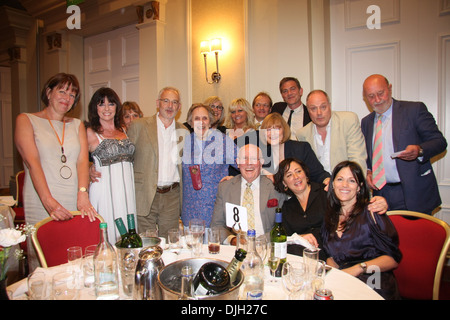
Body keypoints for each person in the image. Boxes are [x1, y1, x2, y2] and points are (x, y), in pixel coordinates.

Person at [14, 73, 96, 271]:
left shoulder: (77, 125)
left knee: (75, 256)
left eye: (72, 95)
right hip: (42, 198)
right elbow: (32, 162)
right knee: (45, 260)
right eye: (62, 91)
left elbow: (82, 161)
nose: (67, 98)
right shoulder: (26, 120)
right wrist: (48, 201)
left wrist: (83, 193)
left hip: (74, 199)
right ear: (49, 92)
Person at [361, 74, 447, 214]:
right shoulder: (366, 122)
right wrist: (369, 171)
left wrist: (420, 150)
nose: (377, 100)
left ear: (389, 88)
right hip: (381, 192)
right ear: (365, 98)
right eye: (371, 96)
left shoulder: (414, 110)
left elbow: (439, 142)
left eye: (380, 93)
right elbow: (370, 155)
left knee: (416, 235)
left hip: (413, 191)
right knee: (385, 235)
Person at [273, 158, 388, 260]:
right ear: (284, 183)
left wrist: (379, 202)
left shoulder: (327, 193)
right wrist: (298, 237)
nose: (296, 177)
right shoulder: (287, 207)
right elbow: (282, 238)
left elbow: (354, 204)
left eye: (298, 171)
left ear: (306, 175)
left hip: (333, 255)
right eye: (289, 175)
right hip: (300, 258)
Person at [322, 161, 402, 300]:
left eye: (351, 180)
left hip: (374, 284)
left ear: (359, 187)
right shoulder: (330, 217)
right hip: (345, 283)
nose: (344, 185)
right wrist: (333, 274)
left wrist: (359, 268)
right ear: (333, 184)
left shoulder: (372, 212)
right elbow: (332, 256)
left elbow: (393, 259)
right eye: (340, 179)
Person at [127, 87, 187, 239]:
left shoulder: (184, 131)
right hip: (145, 193)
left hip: (172, 196)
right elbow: (125, 160)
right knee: (145, 242)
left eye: (174, 102)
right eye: (166, 101)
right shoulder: (139, 126)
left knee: (170, 242)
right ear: (157, 103)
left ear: (179, 107)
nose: (170, 106)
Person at [86, 87, 136, 244]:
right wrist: (88, 168)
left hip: (128, 193)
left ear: (117, 107)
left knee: (130, 237)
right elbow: (75, 159)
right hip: (104, 193)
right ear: (95, 108)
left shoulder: (125, 130)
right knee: (107, 239)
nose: (107, 108)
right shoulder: (89, 132)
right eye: (101, 104)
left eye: (111, 104)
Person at [211, 144, 285, 244]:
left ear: (261, 162)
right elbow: (217, 225)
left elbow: (285, 225)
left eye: (254, 159)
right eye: (244, 159)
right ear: (237, 163)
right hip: (235, 249)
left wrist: (262, 241)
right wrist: (233, 240)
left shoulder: (275, 187)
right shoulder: (225, 188)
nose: (248, 163)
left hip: (267, 246)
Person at [181, 103, 237, 228]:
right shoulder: (184, 142)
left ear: (210, 121)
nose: (201, 122)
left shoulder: (222, 141)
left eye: (205, 118)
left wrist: (235, 180)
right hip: (190, 211)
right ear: (190, 122)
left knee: (214, 246)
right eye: (196, 118)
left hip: (214, 210)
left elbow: (244, 164)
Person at [297, 90, 367, 174]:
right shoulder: (302, 134)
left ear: (329, 106)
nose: (319, 113)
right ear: (308, 110)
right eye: (313, 108)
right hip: (318, 184)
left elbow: (357, 159)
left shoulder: (348, 121)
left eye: (323, 107)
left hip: (346, 182)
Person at [259, 113, 330, 185]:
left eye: (277, 129)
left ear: (284, 130)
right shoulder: (262, 155)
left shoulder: (301, 149)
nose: (272, 133)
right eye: (268, 130)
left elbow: (319, 175)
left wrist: (328, 181)